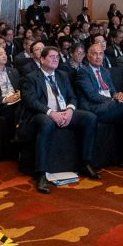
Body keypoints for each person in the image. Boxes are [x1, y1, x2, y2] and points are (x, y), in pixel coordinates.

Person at [23, 46, 98, 193]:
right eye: (52, 57)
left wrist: (70, 110)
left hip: (64, 111)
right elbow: (31, 101)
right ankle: (41, 173)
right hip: (43, 113)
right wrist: (51, 113)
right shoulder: (31, 77)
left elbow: (72, 97)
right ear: (42, 59)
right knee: (46, 123)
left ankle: (86, 163)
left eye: (57, 57)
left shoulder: (63, 75)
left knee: (90, 118)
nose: (55, 59)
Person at [73, 43, 123, 175]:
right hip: (94, 108)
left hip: (109, 107)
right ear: (88, 56)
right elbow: (92, 95)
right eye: (95, 54)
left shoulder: (105, 71)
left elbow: (112, 91)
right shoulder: (83, 72)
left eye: (101, 54)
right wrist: (112, 100)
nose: (98, 57)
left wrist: (117, 95)